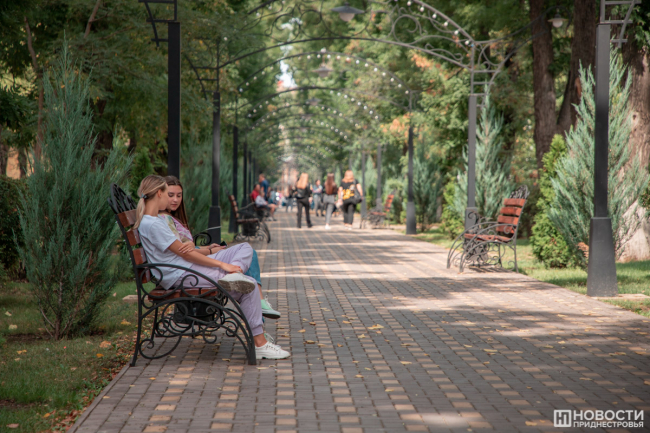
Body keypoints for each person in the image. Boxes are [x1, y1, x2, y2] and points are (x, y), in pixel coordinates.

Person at [135, 175, 288, 360]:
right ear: (159, 193)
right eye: (168, 194)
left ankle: (235, 275)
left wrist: (201, 249)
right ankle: (260, 344)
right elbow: (185, 254)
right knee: (249, 285)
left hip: (186, 267)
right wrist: (222, 264)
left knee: (245, 248)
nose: (170, 199)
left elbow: (184, 250)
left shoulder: (156, 221)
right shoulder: (153, 224)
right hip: (182, 273)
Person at [161, 176, 281, 320]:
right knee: (248, 264)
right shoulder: (163, 220)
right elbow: (184, 251)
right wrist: (210, 251)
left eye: (179, 195)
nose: (175, 200)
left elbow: (186, 248)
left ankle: (256, 305)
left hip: (188, 262)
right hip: (186, 268)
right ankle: (258, 304)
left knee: (247, 254)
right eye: (171, 195)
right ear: (160, 194)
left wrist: (207, 247)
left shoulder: (171, 218)